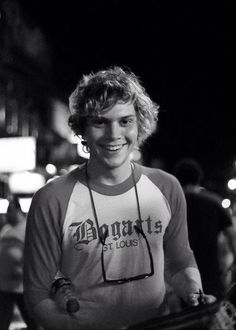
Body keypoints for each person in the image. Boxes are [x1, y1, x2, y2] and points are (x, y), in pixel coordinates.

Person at [23, 66, 215, 330]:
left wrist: (193, 291)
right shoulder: (52, 199)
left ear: (140, 125)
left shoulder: (166, 187)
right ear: (83, 128)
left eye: (125, 121)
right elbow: (37, 294)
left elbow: (179, 261)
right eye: (100, 122)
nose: (114, 135)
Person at [173, 158, 236, 298]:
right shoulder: (213, 202)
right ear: (199, 178)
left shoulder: (172, 205)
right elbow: (232, 237)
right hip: (212, 277)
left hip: (182, 281)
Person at [0, 196, 37, 330]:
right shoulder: (7, 229)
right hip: (4, 284)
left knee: (31, 319)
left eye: (10, 210)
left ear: (18, 211)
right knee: (2, 320)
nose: (7, 214)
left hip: (22, 285)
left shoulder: (28, 227)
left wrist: (22, 269)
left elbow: (34, 253)